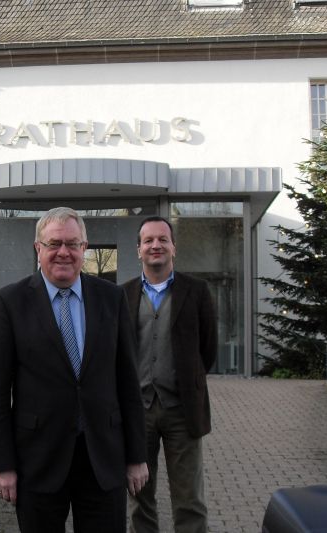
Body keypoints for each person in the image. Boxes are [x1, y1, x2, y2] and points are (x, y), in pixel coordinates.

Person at [0, 206, 149, 533]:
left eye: (73, 244)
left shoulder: (111, 298)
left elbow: (128, 382)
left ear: (84, 248)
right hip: (38, 460)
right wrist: (2, 465)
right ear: (38, 248)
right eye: (54, 243)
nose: (63, 252)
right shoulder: (10, 302)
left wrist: (136, 456)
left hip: (103, 457)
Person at [123, 215, 217, 533]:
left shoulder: (197, 291)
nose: (155, 245)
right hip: (138, 411)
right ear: (138, 250)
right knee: (139, 497)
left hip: (182, 410)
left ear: (173, 247)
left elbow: (208, 350)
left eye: (163, 239)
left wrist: (187, 382)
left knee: (190, 499)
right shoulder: (123, 295)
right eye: (148, 240)